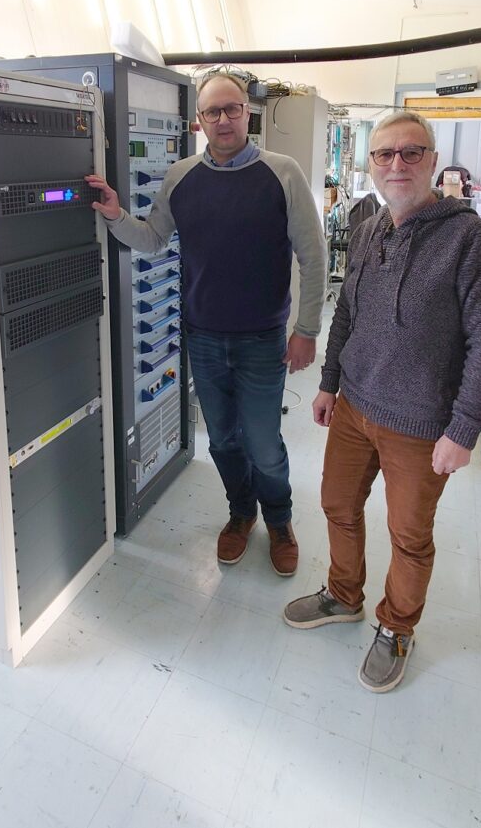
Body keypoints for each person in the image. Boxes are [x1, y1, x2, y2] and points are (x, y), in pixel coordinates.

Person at [284, 110, 481, 692]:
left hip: (422, 424)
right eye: (385, 154)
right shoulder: (367, 230)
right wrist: (330, 382)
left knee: (409, 537)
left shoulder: (471, 240)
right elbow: (348, 316)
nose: (397, 164)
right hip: (355, 408)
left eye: (411, 152)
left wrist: (465, 429)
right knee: (337, 505)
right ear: (372, 164)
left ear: (433, 161)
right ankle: (342, 594)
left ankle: (397, 626)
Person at [86, 73, 327, 576]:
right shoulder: (180, 177)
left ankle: (279, 521)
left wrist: (306, 330)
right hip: (204, 337)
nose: (223, 119)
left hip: (263, 339)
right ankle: (241, 514)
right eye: (213, 112)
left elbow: (313, 254)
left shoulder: (282, 173)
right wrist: (115, 215)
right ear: (199, 120)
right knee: (221, 439)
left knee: (263, 442)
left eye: (232, 109)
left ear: (247, 113)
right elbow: (153, 239)